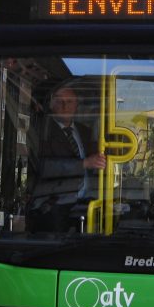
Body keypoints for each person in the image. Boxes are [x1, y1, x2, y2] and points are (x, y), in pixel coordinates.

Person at [28, 85, 106, 232]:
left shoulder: (85, 131)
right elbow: (43, 167)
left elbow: (97, 161)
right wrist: (84, 163)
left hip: (87, 204)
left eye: (69, 101)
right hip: (54, 207)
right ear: (51, 105)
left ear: (76, 105)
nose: (65, 106)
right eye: (59, 101)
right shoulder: (42, 131)